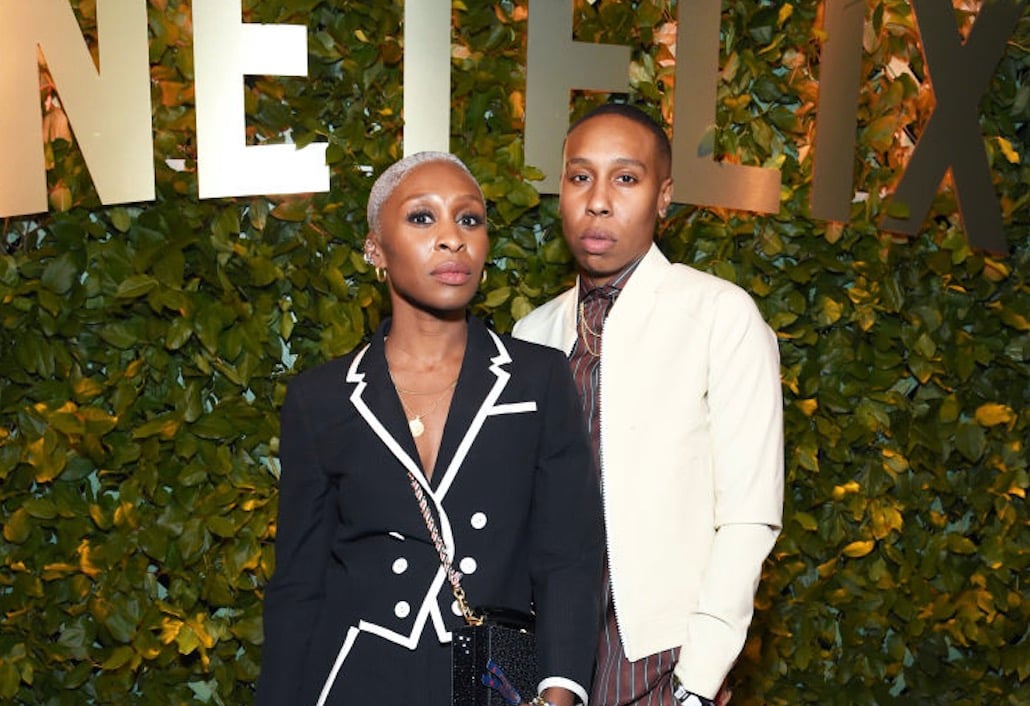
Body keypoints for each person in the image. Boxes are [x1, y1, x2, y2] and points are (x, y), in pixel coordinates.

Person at [255, 151, 603, 706]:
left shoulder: (538, 379)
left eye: (469, 219)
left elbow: (570, 557)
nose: (452, 239)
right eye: (422, 218)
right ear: (376, 248)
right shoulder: (321, 398)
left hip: (493, 679)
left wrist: (559, 691)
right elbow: (299, 585)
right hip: (353, 677)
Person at [513, 104, 784, 706]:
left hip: (661, 659)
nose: (599, 200)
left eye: (626, 178)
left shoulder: (719, 313)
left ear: (664, 197)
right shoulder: (532, 332)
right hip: (548, 655)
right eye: (580, 176)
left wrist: (699, 677)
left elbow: (749, 512)